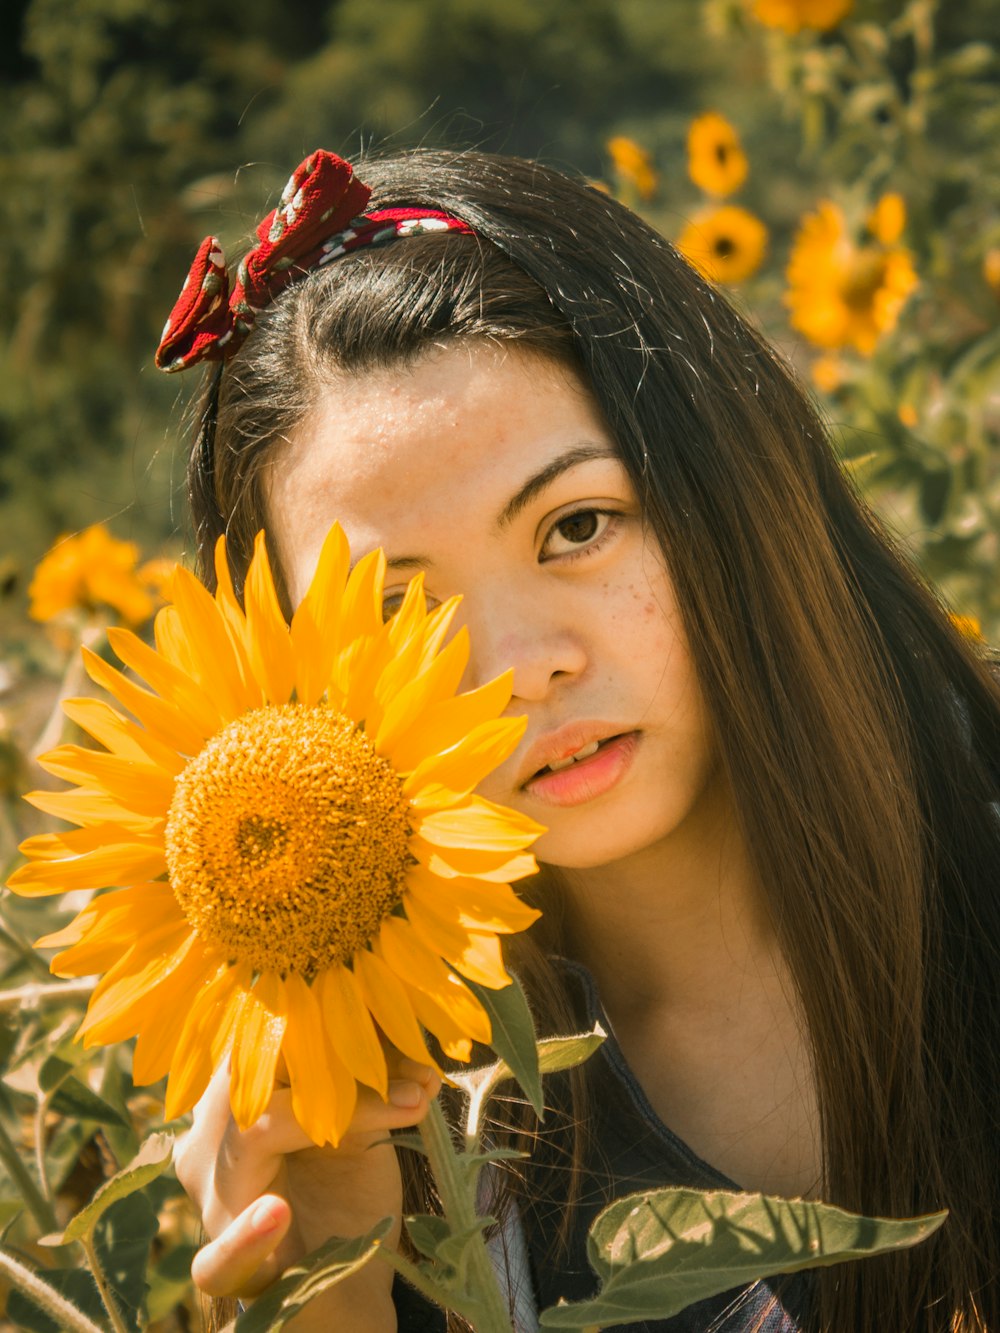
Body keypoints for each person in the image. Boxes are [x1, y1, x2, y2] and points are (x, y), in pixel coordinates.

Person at [161, 148, 1000, 1331]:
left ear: (724, 485)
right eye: (397, 614)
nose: (519, 667)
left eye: (578, 525)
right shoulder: (420, 1160)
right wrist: (332, 1296)